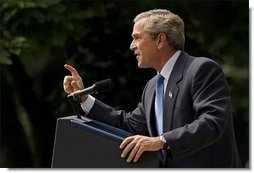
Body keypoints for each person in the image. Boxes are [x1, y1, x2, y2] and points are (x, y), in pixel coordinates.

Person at [63, 9, 241, 168]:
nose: (132, 45)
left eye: (137, 37)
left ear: (160, 39)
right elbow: (129, 125)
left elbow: (212, 123)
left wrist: (161, 141)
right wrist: (84, 98)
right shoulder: (152, 87)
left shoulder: (201, 69)